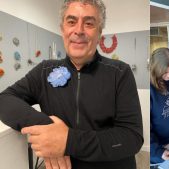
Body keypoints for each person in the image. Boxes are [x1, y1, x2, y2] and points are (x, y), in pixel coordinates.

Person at [0, 1, 143, 169]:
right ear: (62, 29)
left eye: (89, 23)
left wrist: (69, 141)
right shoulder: (44, 71)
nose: (79, 30)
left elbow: (131, 138)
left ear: (99, 32)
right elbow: (4, 100)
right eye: (71, 21)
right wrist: (50, 130)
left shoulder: (120, 73)